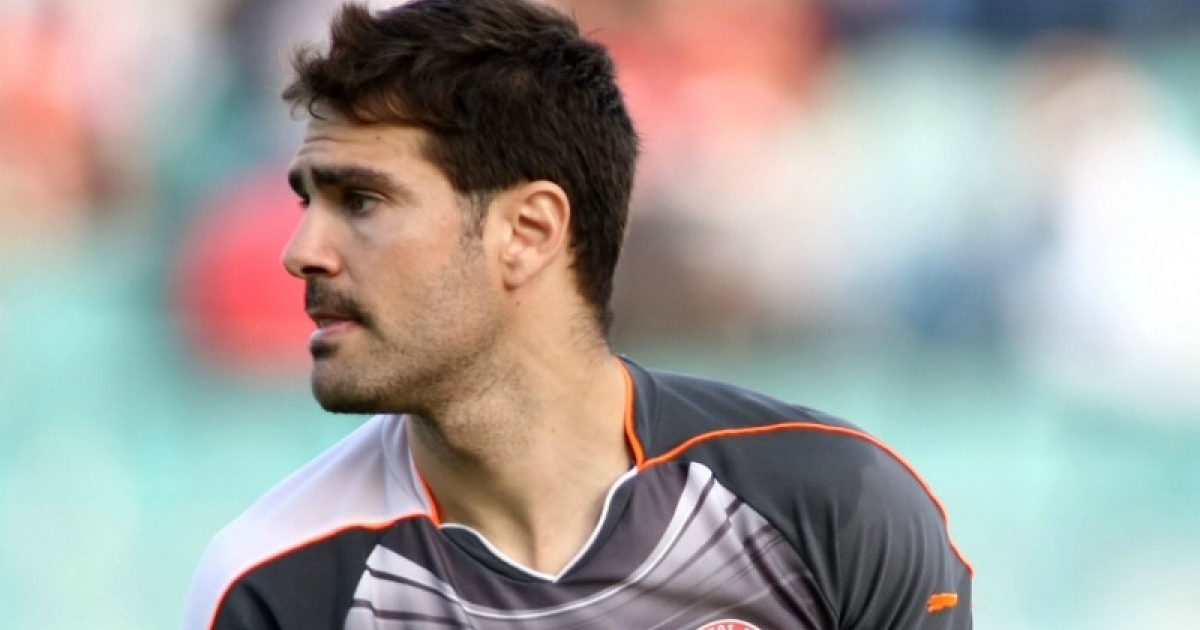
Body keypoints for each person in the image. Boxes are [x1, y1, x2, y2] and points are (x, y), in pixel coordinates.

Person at [182, 0, 974, 628]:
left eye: (361, 201)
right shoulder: (276, 585)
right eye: (307, 201)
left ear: (528, 233)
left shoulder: (835, 507)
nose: (301, 251)